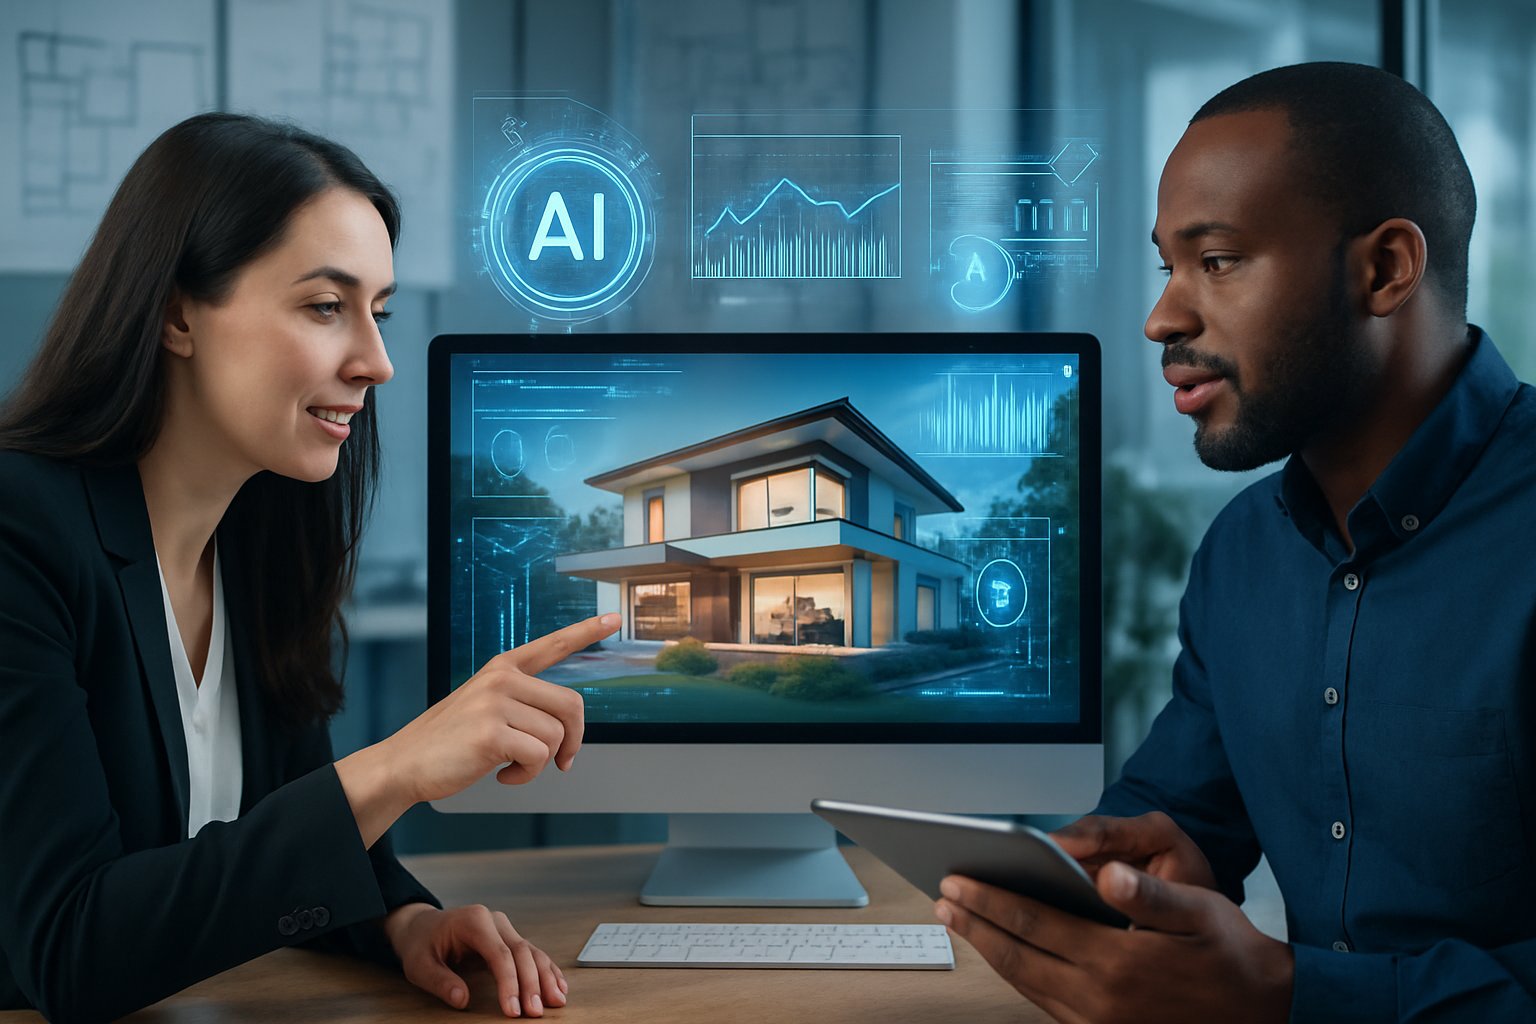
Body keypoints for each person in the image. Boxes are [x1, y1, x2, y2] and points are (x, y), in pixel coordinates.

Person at [934, 62, 1536, 1021]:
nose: (1162, 317)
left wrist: (1286, 997)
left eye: (1216, 262)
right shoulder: (1244, 553)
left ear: (1385, 269)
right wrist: (1114, 869)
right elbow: (1184, 812)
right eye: (1167, 266)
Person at [0, 112, 619, 1023]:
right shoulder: (20, 534)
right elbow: (69, 948)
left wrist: (402, 921)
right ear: (176, 312)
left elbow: (270, 840)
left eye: (380, 310)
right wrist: (396, 767)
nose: (376, 361)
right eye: (327, 307)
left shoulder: (258, 537)